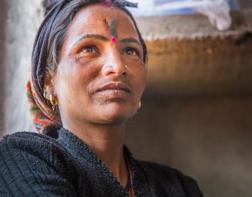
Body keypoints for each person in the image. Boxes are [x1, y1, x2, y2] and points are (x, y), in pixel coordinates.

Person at [0, 0, 202, 196]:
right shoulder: (24, 159)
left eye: (130, 51)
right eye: (88, 49)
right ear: (48, 82)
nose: (117, 66)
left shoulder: (179, 187)